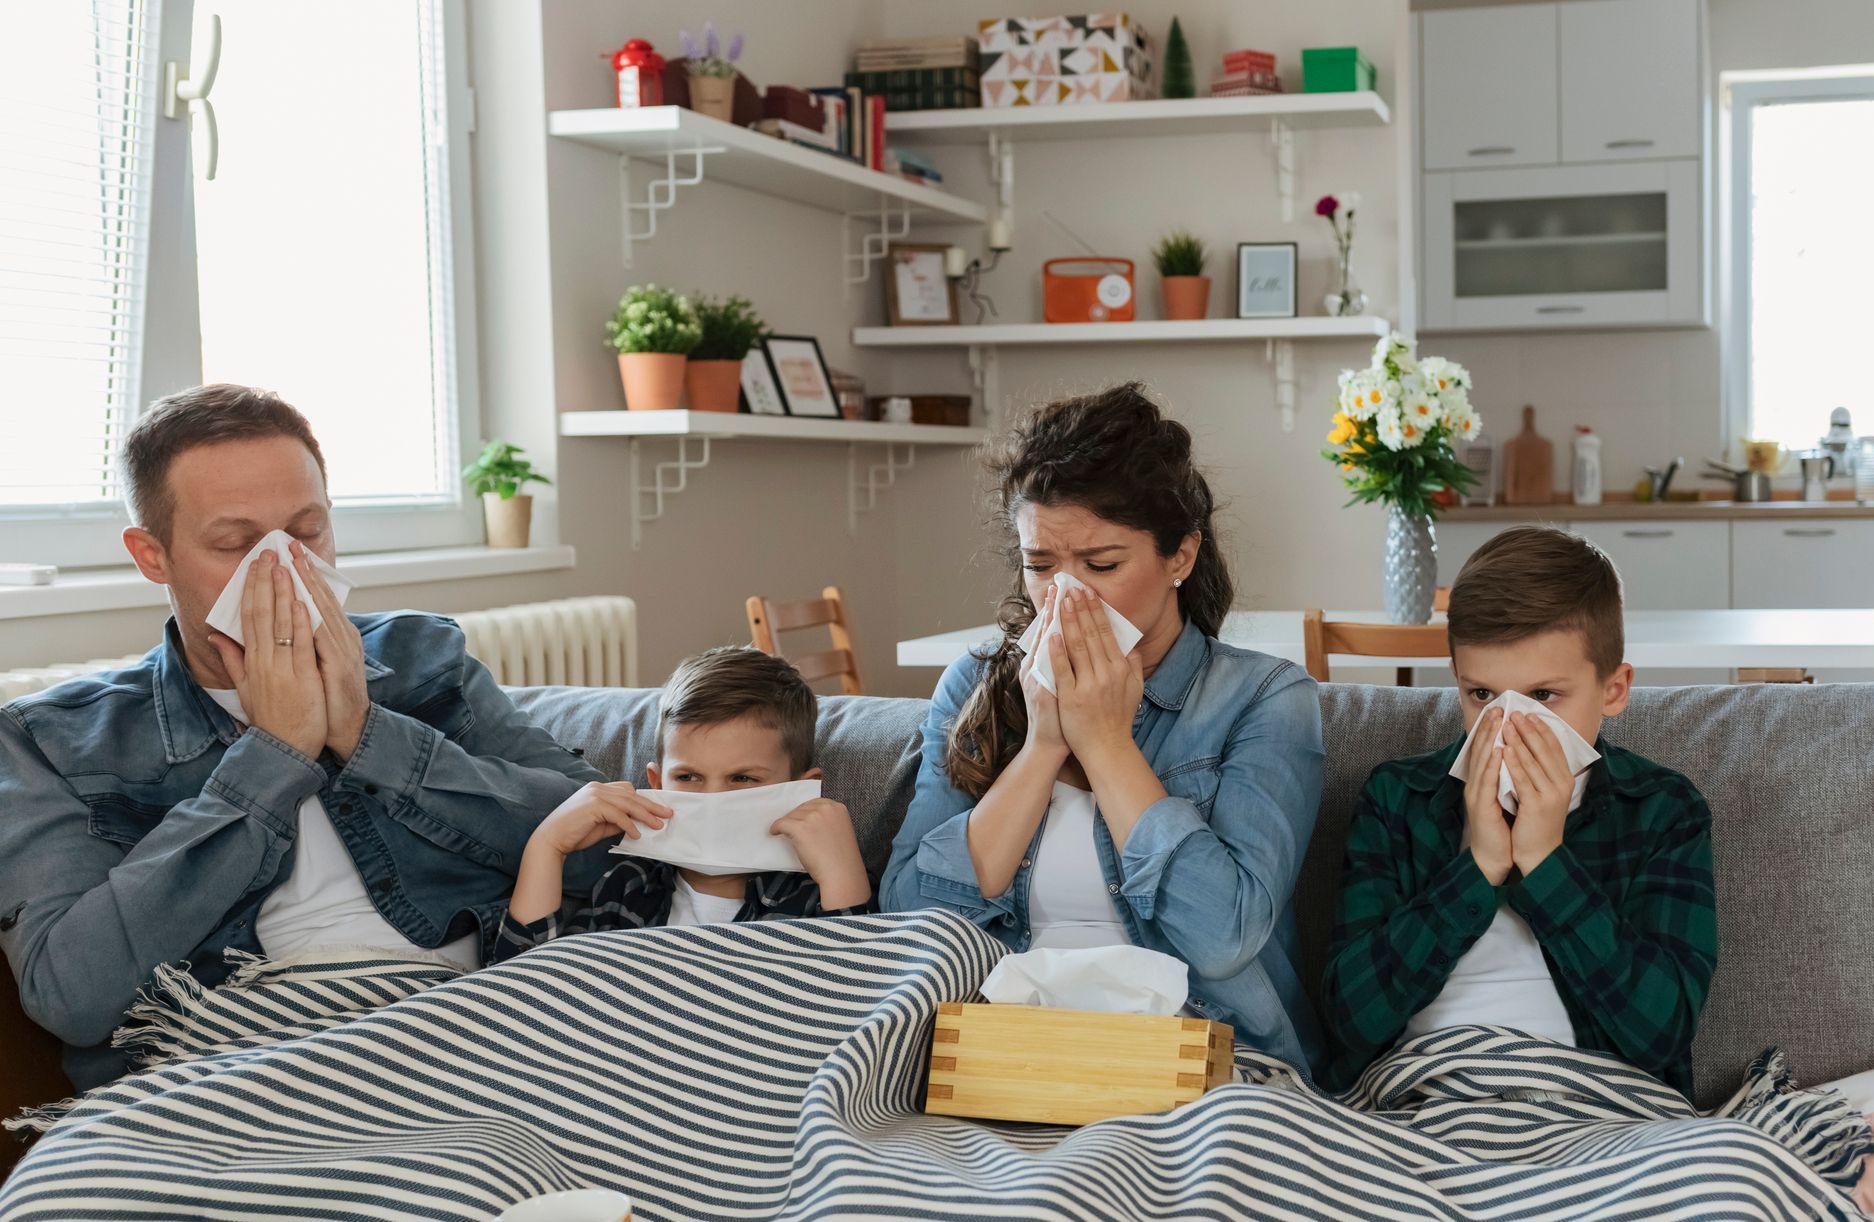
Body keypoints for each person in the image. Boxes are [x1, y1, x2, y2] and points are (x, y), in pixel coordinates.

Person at [0, 384, 608, 1091]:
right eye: (234, 542)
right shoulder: (51, 742)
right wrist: (272, 757)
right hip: (239, 1073)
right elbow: (72, 996)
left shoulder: (422, 657)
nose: (282, 567)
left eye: (308, 531)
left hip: (477, 1032)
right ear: (152, 556)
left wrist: (366, 731)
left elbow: (602, 848)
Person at [881, 383, 1325, 1076]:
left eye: (1102, 565)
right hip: (1008, 1062)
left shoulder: (1263, 700)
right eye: (1039, 566)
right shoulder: (972, 685)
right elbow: (910, 927)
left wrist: (1107, 743)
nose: (1065, 596)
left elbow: (1222, 938)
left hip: (1201, 1059)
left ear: (1179, 556)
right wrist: (1043, 745)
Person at [1321, 525, 1717, 1095]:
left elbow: (1662, 1035)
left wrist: (1545, 860)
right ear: (1457, 682)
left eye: (1543, 696)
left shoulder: (1661, 809)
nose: (1508, 724)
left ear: (1613, 689)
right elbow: (1349, 1020)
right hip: (1420, 1099)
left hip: (1597, 1108)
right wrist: (1477, 867)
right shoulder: (1398, 798)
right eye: (1482, 695)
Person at [501, 646, 874, 943]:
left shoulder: (817, 893)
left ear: (801, 790)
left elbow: (863, 997)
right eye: (689, 776)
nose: (713, 800)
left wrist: (844, 877)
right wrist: (547, 848)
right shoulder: (627, 885)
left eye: (742, 778)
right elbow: (530, 985)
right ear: (658, 783)